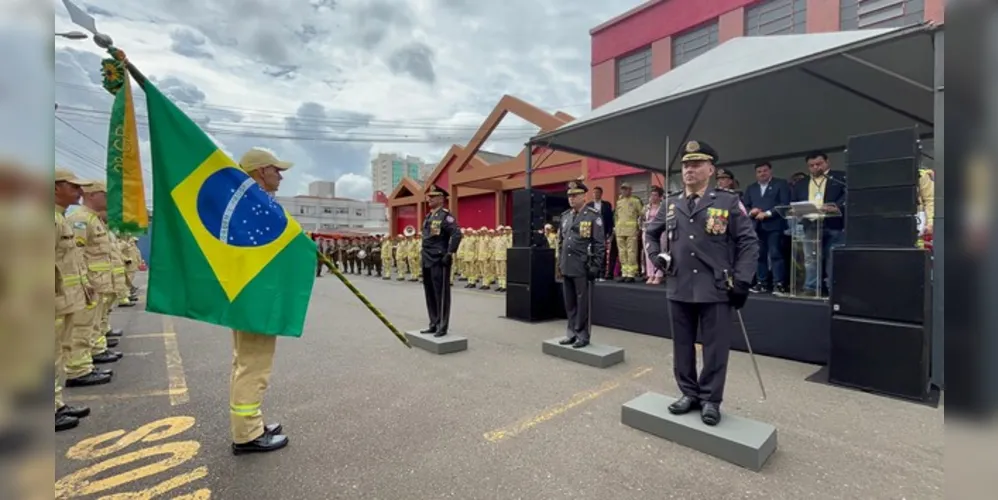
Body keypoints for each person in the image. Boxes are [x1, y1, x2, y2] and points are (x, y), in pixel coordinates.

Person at [645, 140, 758, 426]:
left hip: (715, 286)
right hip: (679, 285)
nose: (689, 170)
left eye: (696, 164)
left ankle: (710, 399)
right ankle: (689, 393)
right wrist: (656, 256)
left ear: (711, 169)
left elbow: (748, 242)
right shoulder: (671, 203)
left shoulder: (728, 201)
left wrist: (743, 280)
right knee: (682, 346)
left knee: (715, 348)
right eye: (685, 165)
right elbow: (650, 232)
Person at [229, 147, 292, 455]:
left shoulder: (247, 202)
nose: (279, 175)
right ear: (258, 172)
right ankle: (247, 434)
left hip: (250, 293)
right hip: (255, 295)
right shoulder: (253, 204)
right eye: (274, 169)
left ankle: (251, 423)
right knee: (253, 364)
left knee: (246, 362)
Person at [54, 168, 96, 431]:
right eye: (74, 186)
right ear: (55, 186)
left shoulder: (60, 218)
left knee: (57, 353)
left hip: (62, 299)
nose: (80, 192)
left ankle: (55, 405)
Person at [557, 180, 606, 349]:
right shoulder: (565, 216)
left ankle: (582, 335)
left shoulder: (593, 216)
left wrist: (596, 265)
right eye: (569, 195)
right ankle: (571, 332)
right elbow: (561, 241)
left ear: (584, 196)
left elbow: (600, 243)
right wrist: (559, 263)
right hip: (567, 265)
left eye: (575, 195)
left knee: (582, 302)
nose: (571, 198)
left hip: (582, 265)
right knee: (569, 302)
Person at [790, 151, 846, 296]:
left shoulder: (839, 177)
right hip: (810, 224)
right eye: (811, 165)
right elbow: (794, 201)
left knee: (832, 256)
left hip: (833, 222)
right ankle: (812, 287)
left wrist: (836, 206)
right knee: (811, 258)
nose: (816, 168)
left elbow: (848, 194)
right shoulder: (801, 184)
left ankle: (834, 288)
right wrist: (795, 210)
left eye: (819, 164)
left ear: (827, 162)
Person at [742, 162, 791, 294]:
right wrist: (750, 211)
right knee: (759, 255)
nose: (762, 173)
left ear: (770, 171)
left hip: (774, 225)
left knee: (776, 254)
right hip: (756, 226)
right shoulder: (751, 188)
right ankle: (761, 282)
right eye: (759, 171)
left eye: (765, 171)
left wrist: (768, 213)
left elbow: (784, 203)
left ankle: (779, 283)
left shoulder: (780, 184)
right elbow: (744, 205)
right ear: (756, 174)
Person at [419, 185, 461, 336]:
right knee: (429, 292)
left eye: (433, 196)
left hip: (438, 259)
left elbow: (456, 234)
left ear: (441, 199)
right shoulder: (429, 216)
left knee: (440, 293)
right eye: (429, 196)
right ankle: (433, 323)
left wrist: (449, 253)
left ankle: (442, 326)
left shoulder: (445, 216)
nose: (429, 199)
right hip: (427, 258)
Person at [614, 183, 643, 283]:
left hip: (631, 230)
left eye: (626, 189)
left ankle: (631, 273)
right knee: (622, 252)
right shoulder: (619, 202)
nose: (624, 191)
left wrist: (639, 227)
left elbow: (642, 214)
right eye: (622, 189)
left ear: (631, 190)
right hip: (620, 230)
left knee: (631, 252)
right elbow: (616, 216)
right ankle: (624, 272)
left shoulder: (635, 201)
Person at [642, 186, 665, 285]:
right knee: (648, 254)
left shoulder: (663, 207)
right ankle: (650, 274)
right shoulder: (646, 207)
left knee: (659, 252)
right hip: (647, 232)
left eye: (655, 195)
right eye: (652, 195)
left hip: (660, 232)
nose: (653, 197)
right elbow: (641, 219)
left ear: (660, 197)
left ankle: (659, 275)